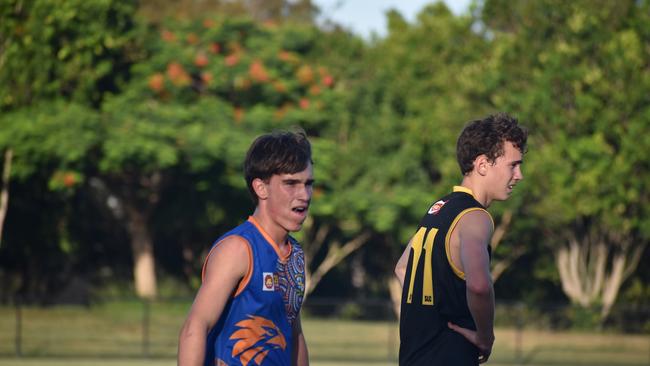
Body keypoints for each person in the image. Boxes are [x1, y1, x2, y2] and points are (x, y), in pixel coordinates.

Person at [394, 113, 527, 365]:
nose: (519, 175)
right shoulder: (476, 217)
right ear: (483, 165)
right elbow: (479, 286)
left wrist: (430, 314)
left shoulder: (439, 208)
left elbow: (402, 268)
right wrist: (486, 337)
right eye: (513, 165)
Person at [178, 130, 313, 366]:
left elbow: (294, 333)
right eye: (291, 183)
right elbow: (195, 327)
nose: (304, 194)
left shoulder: (295, 255)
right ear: (261, 188)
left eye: (308, 184)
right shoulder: (238, 249)